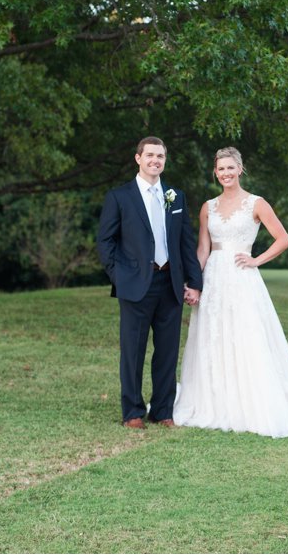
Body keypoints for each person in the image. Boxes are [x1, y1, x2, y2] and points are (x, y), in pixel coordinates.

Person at [173, 147, 288, 438]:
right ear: (215, 172)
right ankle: (214, 401)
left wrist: (255, 260)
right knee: (213, 337)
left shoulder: (257, 203)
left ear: (240, 169)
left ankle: (251, 404)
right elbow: (203, 249)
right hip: (213, 277)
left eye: (230, 168)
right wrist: (195, 283)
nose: (225, 173)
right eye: (221, 169)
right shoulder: (208, 207)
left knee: (245, 336)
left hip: (242, 279)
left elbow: (283, 239)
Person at [97, 137, 203, 429]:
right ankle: (132, 412)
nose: (156, 160)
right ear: (138, 158)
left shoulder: (175, 196)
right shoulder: (120, 197)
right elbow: (105, 242)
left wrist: (195, 282)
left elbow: (185, 242)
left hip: (170, 283)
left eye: (161, 156)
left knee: (167, 351)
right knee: (133, 351)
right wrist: (119, 276)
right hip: (135, 285)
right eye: (150, 155)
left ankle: (162, 410)